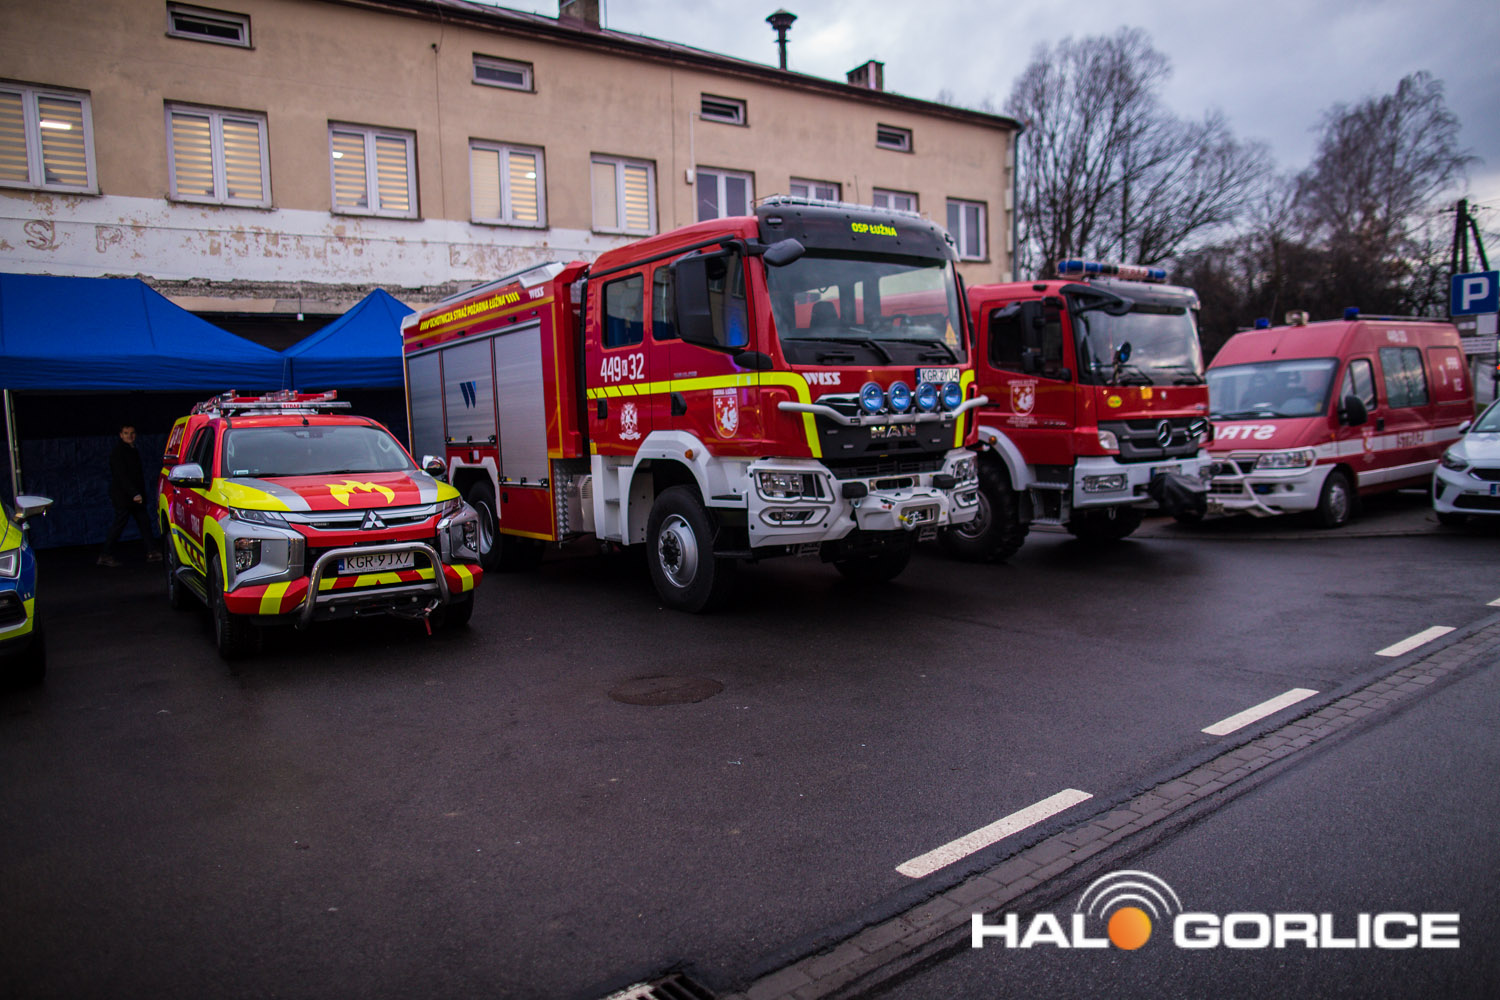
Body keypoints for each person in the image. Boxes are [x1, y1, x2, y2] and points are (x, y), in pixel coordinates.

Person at [98, 424, 160, 567]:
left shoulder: (132, 450)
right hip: (124, 496)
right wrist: (134, 493)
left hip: (134, 496)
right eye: (126, 433)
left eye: (132, 433)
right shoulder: (118, 452)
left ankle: (152, 551)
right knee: (120, 524)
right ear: (121, 435)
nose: (129, 436)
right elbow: (121, 476)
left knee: (144, 522)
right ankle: (105, 554)